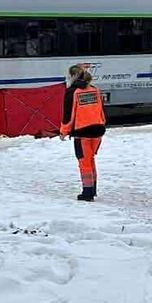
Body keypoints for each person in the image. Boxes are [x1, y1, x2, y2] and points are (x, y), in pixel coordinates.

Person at [60, 63, 107, 201]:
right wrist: (102, 124)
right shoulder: (94, 89)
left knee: (84, 162)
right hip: (98, 130)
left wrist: (64, 131)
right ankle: (93, 189)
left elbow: (68, 115)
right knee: (91, 160)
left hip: (82, 133)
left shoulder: (72, 92)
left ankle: (87, 192)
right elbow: (101, 111)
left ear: (73, 76)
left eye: (69, 75)